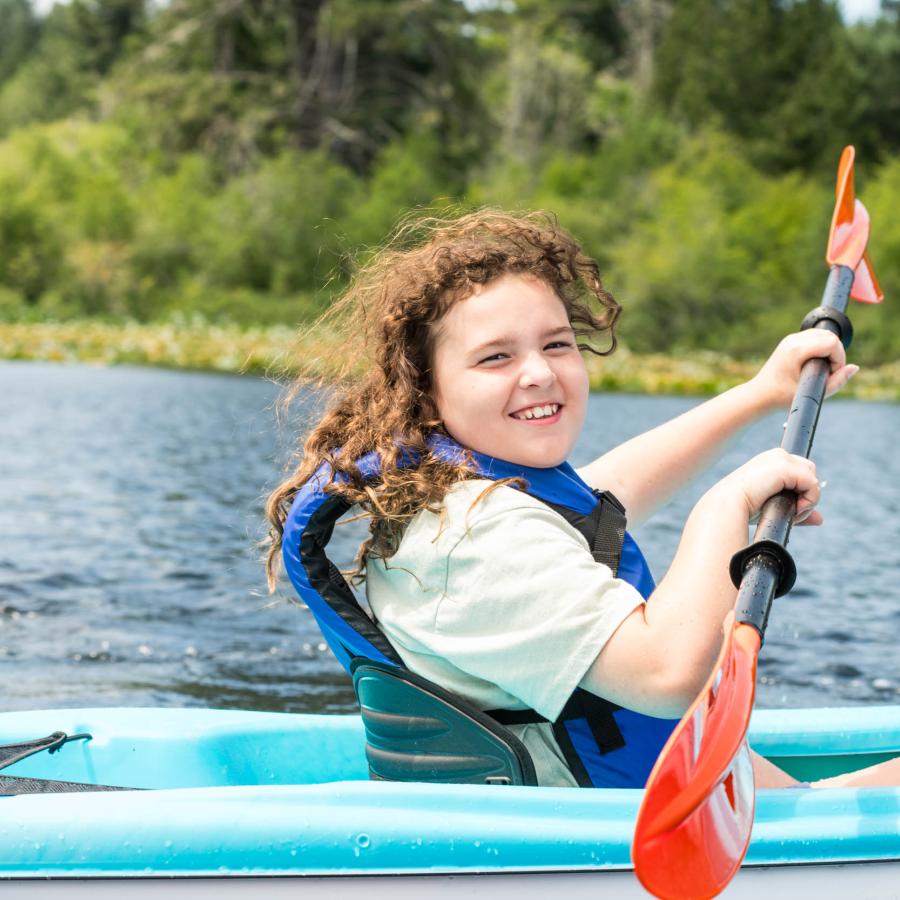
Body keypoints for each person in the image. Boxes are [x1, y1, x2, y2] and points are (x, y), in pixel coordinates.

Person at [265, 209, 899, 790]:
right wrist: (726, 504)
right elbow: (666, 673)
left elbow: (606, 494)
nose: (539, 372)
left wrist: (761, 392)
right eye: (495, 358)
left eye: (557, 343)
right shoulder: (472, 542)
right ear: (427, 394)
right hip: (602, 830)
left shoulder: (467, 496)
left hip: (658, 791)